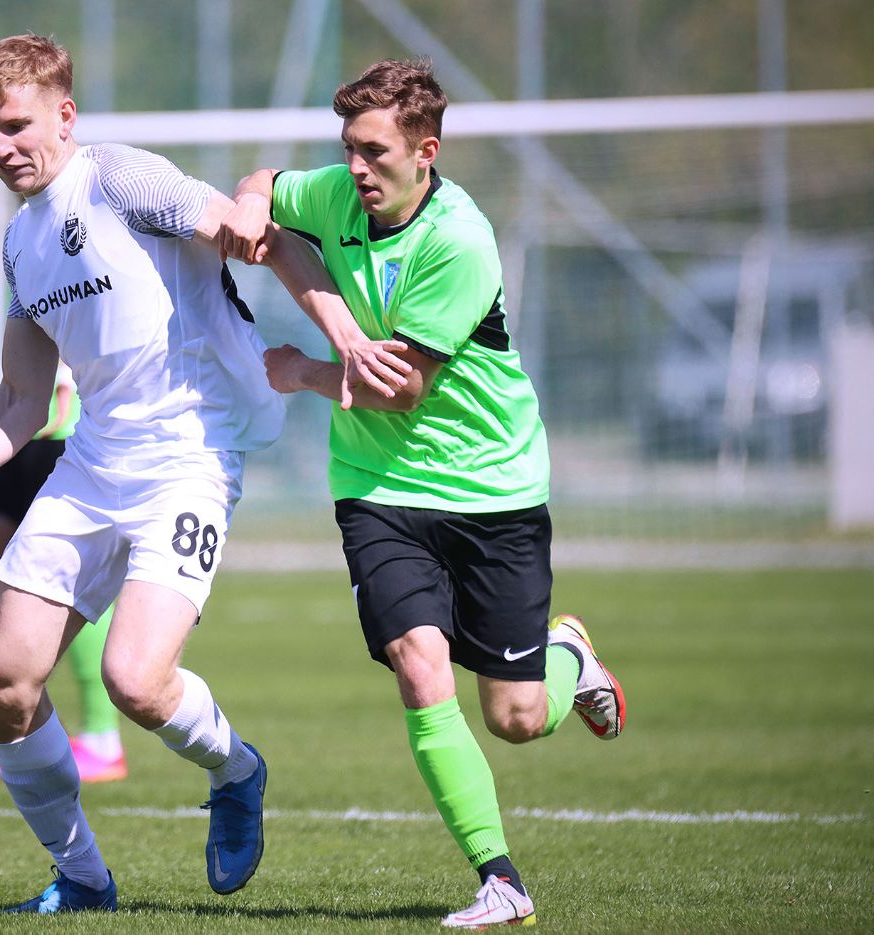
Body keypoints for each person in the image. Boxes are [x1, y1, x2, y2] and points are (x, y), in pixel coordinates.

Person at [0, 34, 405, 915]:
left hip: (190, 456)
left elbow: (260, 237)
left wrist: (342, 335)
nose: (2, 146)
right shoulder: (21, 244)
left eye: (17, 125)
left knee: (136, 679)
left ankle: (237, 770)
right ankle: (82, 879)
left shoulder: (119, 178)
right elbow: (21, 399)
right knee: (2, 684)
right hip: (91, 463)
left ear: (64, 116)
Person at [217, 58, 626, 929]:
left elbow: (399, 387)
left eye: (374, 152)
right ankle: (501, 879)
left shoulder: (459, 240)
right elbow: (266, 186)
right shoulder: (338, 193)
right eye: (349, 148)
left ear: (426, 152)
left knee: (517, 716)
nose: (356, 168)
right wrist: (252, 203)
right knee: (417, 662)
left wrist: (300, 370)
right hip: (377, 488)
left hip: (491, 486)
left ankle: (570, 660)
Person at [0, 365, 126, 784]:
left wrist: (61, 397)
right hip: (16, 431)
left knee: (75, 579)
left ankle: (102, 740)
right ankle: (24, 724)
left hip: (58, 434)